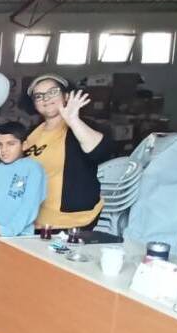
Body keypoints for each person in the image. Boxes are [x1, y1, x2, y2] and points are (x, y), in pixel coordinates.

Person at [0, 122, 46, 333]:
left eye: (11, 144)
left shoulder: (32, 169)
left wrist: (8, 231)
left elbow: (29, 206)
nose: (4, 149)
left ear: (24, 144)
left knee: (11, 290)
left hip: (15, 241)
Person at [22, 74, 114, 230]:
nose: (45, 98)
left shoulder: (81, 127)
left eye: (53, 92)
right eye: (39, 96)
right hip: (37, 220)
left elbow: (100, 152)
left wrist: (73, 120)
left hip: (73, 222)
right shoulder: (32, 133)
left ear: (65, 96)